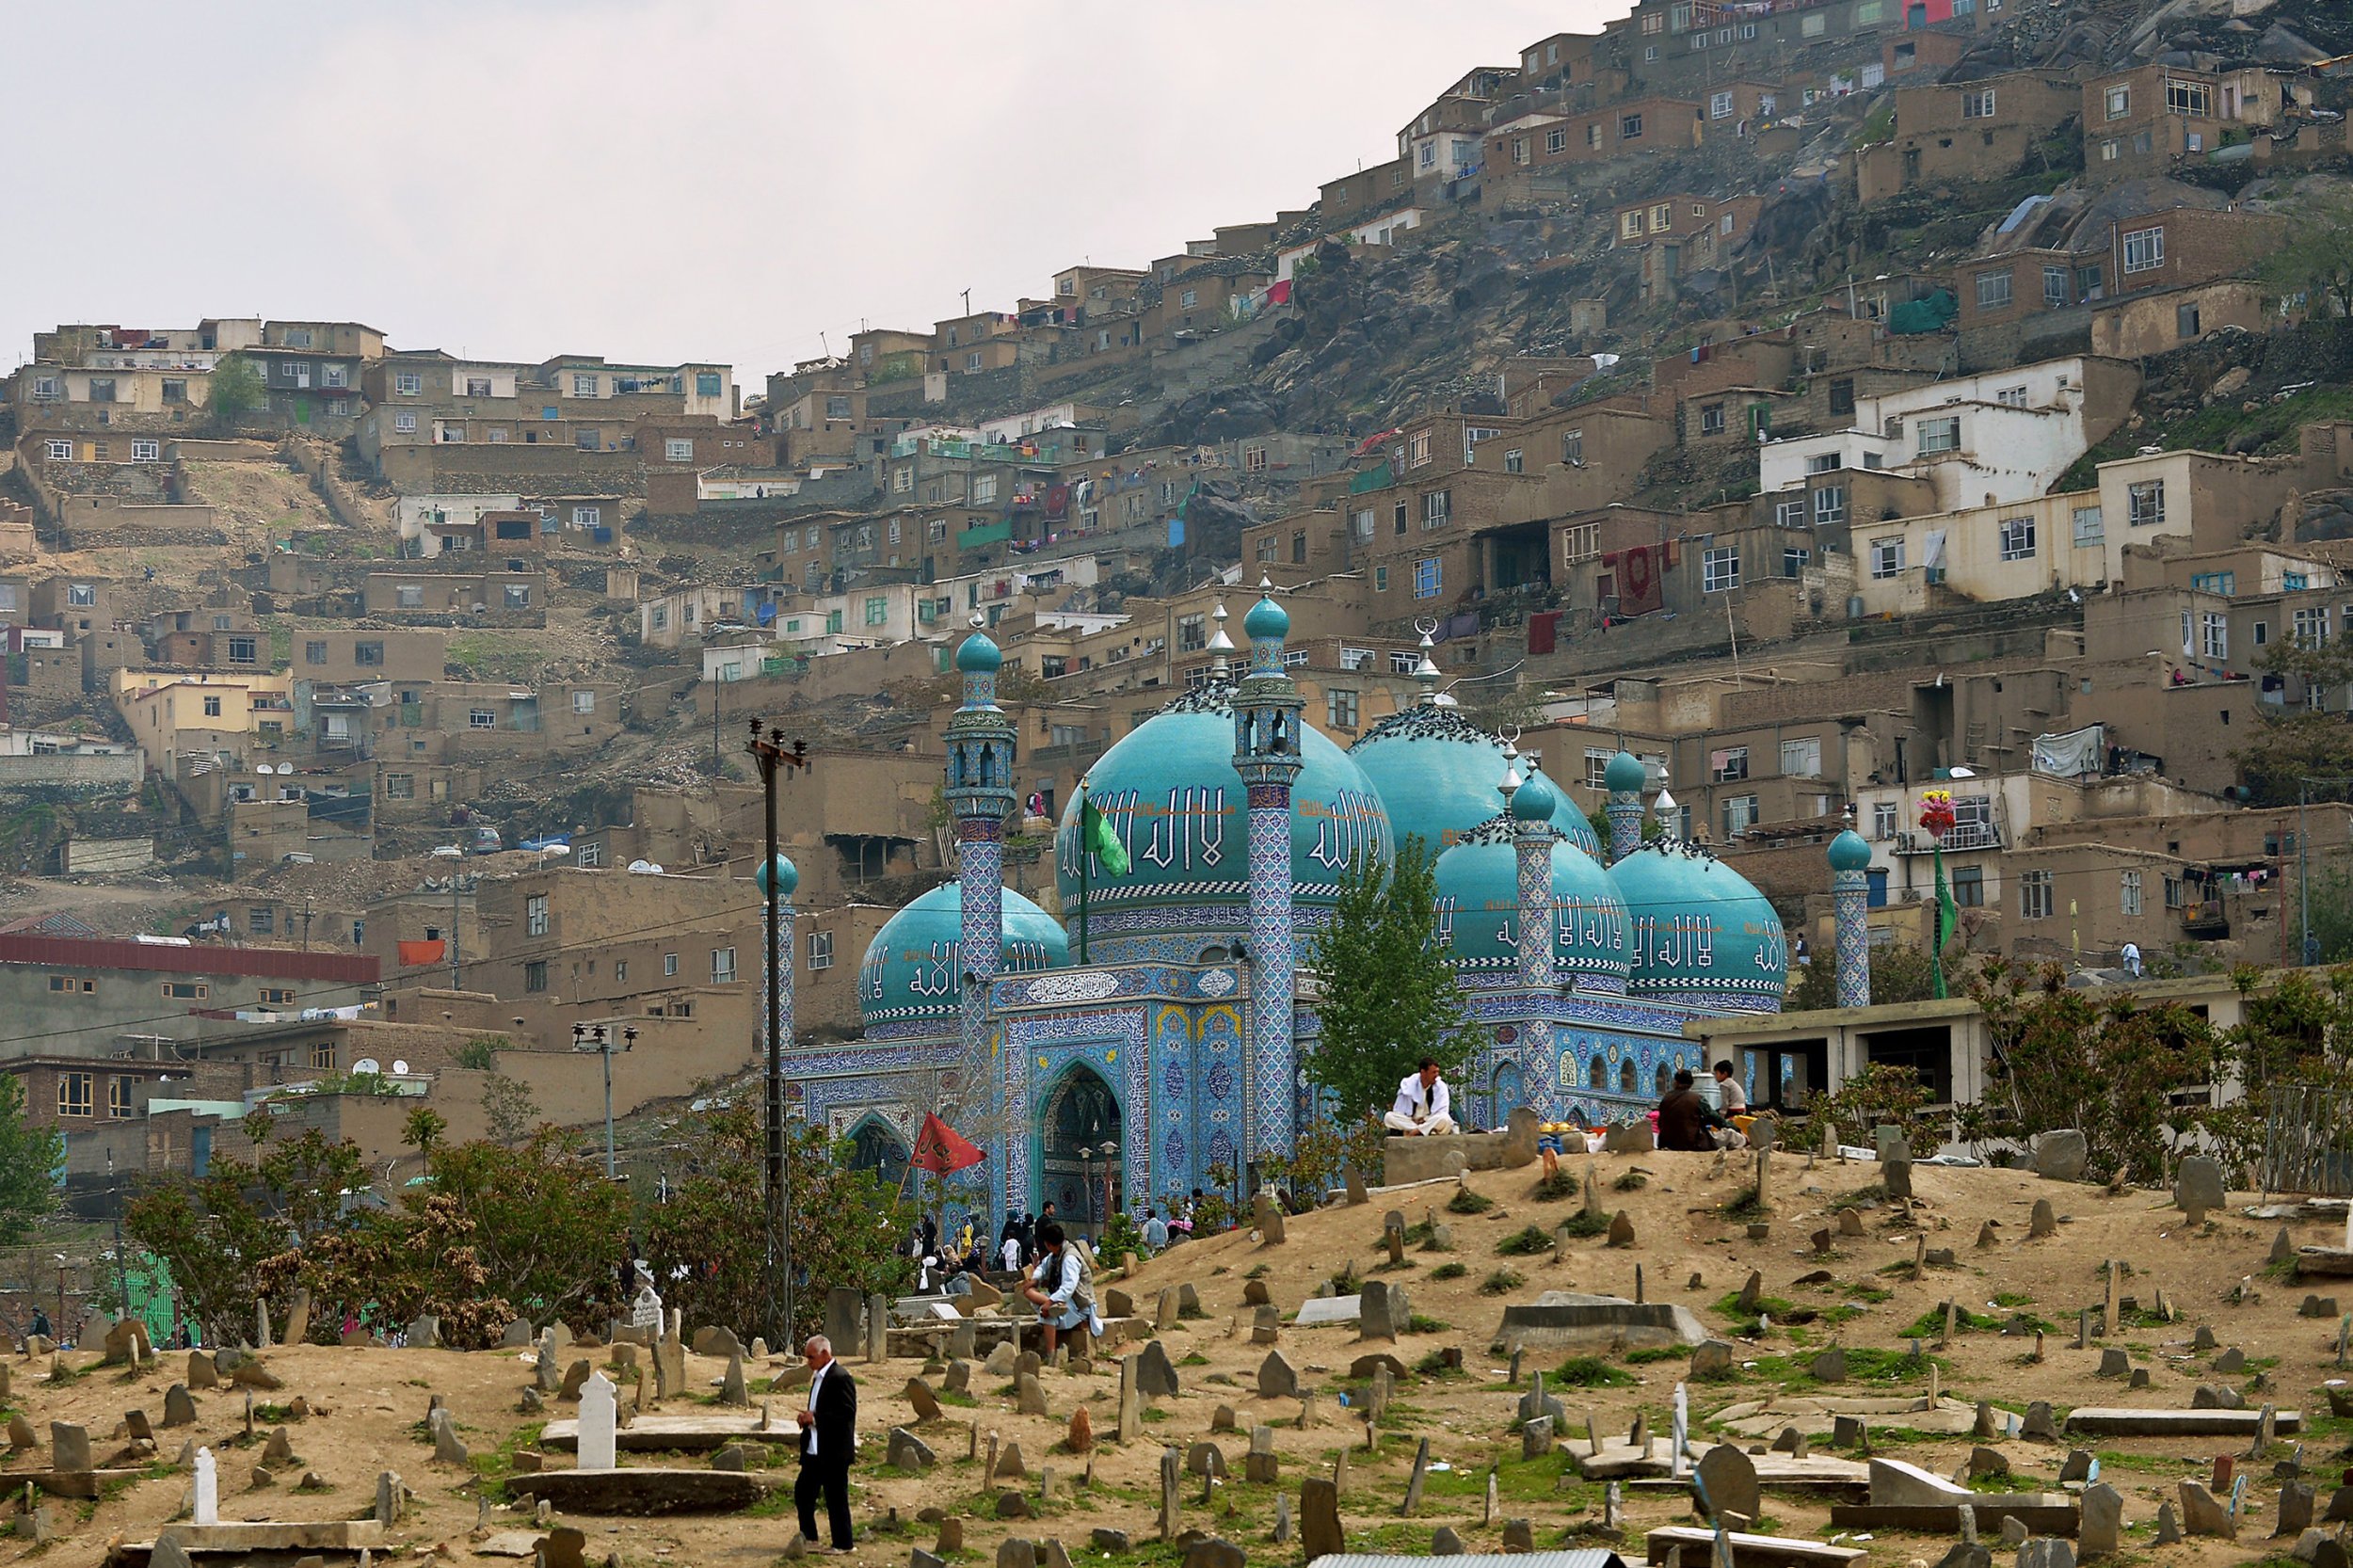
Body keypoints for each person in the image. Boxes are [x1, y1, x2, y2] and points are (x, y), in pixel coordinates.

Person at [793, 1334, 858, 1553]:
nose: (808, 1362)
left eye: (811, 1357)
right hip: (815, 1448)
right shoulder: (819, 1377)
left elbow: (847, 1413)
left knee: (836, 1499)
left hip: (834, 1451)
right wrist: (807, 1418)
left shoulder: (840, 1377)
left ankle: (843, 1544)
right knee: (803, 1494)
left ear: (825, 1354)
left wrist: (817, 1418)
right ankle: (810, 1539)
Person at [1020, 1220, 1101, 1357]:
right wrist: (1035, 1279)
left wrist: (1050, 1303)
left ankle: (1051, 1355)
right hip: (1064, 1300)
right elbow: (1042, 1267)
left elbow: (1069, 1287)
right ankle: (1053, 1305)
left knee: (1049, 1315)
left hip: (1079, 1304)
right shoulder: (1055, 1255)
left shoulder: (1069, 1258)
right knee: (1029, 1291)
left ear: (1048, 1244)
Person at [1385, 1057, 1458, 1135]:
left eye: (1437, 1072)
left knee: (1445, 1119)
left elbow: (1442, 1111)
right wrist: (1414, 1121)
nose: (1436, 1075)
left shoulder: (1440, 1087)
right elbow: (1399, 1111)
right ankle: (1423, 1131)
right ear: (1423, 1072)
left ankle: (1417, 1131)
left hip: (1430, 1120)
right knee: (1389, 1117)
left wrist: (1425, 1120)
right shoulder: (1408, 1084)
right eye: (1433, 1072)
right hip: (1412, 1122)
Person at [1657, 1068, 1723, 1152]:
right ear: (1691, 1084)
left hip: (1666, 1143)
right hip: (1689, 1144)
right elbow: (1714, 1118)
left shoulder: (1666, 1098)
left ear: (1675, 1083)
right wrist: (1734, 1128)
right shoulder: (1697, 1098)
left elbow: (1660, 1123)